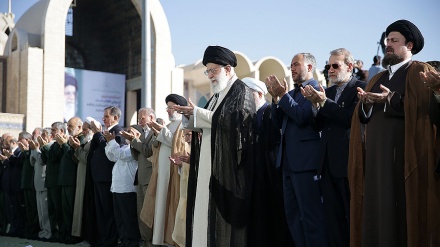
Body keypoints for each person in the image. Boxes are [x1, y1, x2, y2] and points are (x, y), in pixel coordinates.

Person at [350, 19, 440, 247]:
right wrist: (367, 104)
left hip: (404, 159)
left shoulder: (420, 71)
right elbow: (362, 117)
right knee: (376, 211)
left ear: (409, 45)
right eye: (387, 40)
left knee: (400, 213)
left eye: (394, 40)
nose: (387, 44)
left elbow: (424, 109)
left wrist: (390, 99)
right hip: (376, 160)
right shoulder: (378, 78)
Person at [174, 45, 256, 246]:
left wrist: (197, 113)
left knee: (221, 220)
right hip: (207, 164)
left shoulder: (240, 91)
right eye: (207, 71)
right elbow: (207, 121)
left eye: (213, 70)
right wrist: (189, 116)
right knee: (204, 211)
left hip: (228, 168)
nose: (210, 75)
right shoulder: (217, 95)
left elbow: (234, 121)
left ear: (228, 69)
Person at [301, 48, 367, 247]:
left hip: (349, 164)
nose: (330, 69)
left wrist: (323, 103)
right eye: (328, 66)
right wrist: (315, 106)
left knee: (353, 217)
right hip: (327, 165)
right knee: (333, 220)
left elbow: (349, 119)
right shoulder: (327, 92)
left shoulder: (360, 88)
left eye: (335, 65)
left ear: (349, 67)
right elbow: (318, 125)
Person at [266, 52, 328, 247]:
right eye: (290, 65)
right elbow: (278, 123)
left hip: (306, 165)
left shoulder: (317, 89)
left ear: (309, 67)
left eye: (296, 65)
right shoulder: (291, 93)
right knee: (293, 217)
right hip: (287, 164)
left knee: (311, 217)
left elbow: (303, 118)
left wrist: (283, 96)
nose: (291, 69)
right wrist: (276, 99)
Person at [241, 77, 293, 247]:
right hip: (255, 174)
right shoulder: (249, 116)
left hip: (270, 174)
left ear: (260, 94)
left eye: (248, 96)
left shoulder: (270, 111)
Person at [146, 94, 188, 246]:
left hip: (174, 171)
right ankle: (159, 239)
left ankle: (172, 240)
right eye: (168, 108)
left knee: (171, 202)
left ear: (179, 108)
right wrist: (158, 132)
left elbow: (179, 145)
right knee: (160, 202)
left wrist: (162, 131)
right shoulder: (169, 125)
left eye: (171, 108)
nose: (169, 111)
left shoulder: (183, 124)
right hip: (162, 170)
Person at [88, 106, 124, 247]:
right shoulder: (106, 132)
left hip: (107, 178)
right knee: (100, 211)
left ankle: (109, 241)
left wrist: (98, 135)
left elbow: (110, 153)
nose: (103, 119)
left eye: (106, 117)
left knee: (107, 211)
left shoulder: (118, 131)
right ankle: (102, 239)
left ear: (115, 118)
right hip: (98, 178)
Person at [121, 108, 157, 247]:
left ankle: (153, 242)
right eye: (139, 119)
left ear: (151, 117)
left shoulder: (155, 133)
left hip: (150, 178)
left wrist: (135, 140)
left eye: (142, 118)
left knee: (149, 212)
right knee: (141, 212)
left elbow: (148, 152)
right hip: (141, 178)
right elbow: (137, 156)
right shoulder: (143, 134)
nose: (139, 121)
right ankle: (145, 240)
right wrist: (132, 142)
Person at [104, 125, 142, 247]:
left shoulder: (133, 148)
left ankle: (132, 242)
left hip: (128, 189)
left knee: (128, 218)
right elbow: (111, 156)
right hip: (117, 188)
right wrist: (109, 142)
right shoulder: (124, 147)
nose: (126, 134)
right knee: (120, 218)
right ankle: (124, 241)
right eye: (126, 131)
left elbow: (121, 155)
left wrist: (111, 142)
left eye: (130, 132)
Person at [40, 122, 65, 242]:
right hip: (50, 181)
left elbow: (54, 157)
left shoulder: (60, 144)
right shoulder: (54, 144)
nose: (52, 132)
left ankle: (60, 233)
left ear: (61, 131)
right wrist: (42, 147)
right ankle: (53, 233)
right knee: (51, 209)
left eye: (54, 130)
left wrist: (44, 147)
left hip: (57, 181)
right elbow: (44, 160)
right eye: (52, 130)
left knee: (58, 209)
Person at [29, 128, 52, 240]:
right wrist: (34, 150)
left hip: (44, 182)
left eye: (43, 135)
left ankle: (48, 232)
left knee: (45, 210)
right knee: (40, 211)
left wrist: (37, 150)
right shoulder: (41, 147)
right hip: (38, 182)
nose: (41, 138)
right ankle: (43, 231)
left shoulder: (49, 146)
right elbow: (32, 162)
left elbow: (42, 161)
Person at [17, 131, 40, 240]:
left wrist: (26, 151)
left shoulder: (33, 149)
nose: (18, 142)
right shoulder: (23, 151)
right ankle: (29, 230)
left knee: (33, 208)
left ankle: (34, 230)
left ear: (27, 140)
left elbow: (33, 162)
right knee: (28, 209)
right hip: (25, 183)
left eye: (20, 140)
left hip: (32, 183)